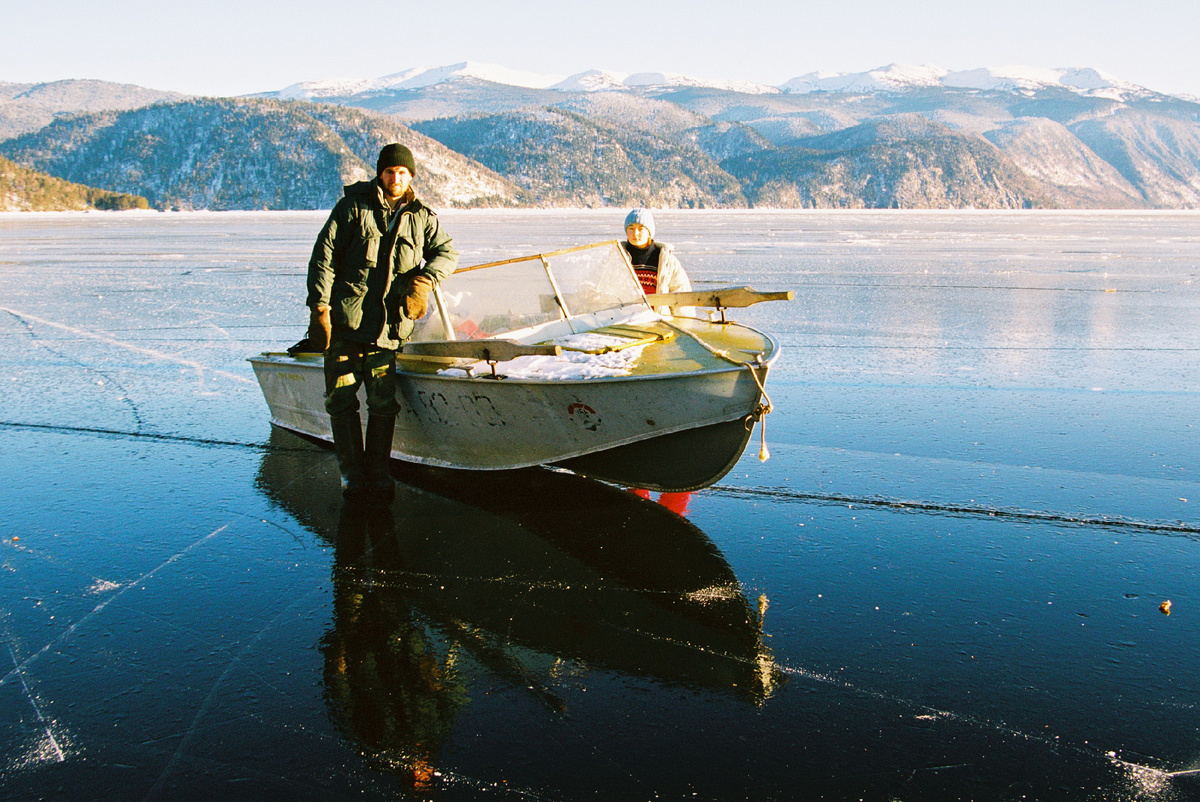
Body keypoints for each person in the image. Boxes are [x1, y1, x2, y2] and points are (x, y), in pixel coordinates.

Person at [306, 143, 459, 503]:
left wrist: (424, 281)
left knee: (382, 403)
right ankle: (351, 476)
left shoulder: (421, 216)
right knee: (341, 401)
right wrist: (320, 308)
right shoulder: (351, 208)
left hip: (387, 330)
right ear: (380, 173)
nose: (395, 178)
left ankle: (378, 473)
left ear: (411, 176)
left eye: (402, 172)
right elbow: (324, 258)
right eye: (390, 171)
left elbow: (447, 252)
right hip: (346, 326)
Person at [619, 208, 691, 314]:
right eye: (631, 228)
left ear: (649, 233)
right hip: (625, 320)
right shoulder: (617, 256)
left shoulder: (666, 260)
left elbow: (681, 295)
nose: (635, 233)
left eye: (641, 229)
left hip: (658, 320)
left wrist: (683, 321)